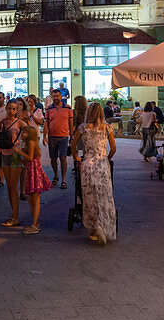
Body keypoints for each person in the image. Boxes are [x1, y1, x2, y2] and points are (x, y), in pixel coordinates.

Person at [71, 102, 117, 245]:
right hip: (102, 165)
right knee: (105, 197)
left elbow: (73, 146)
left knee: (89, 198)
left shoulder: (83, 128)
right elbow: (113, 149)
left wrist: (77, 159)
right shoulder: (107, 128)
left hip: (87, 165)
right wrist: (106, 159)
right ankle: (103, 225)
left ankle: (93, 229)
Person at [0, 100, 26, 228]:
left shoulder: (19, 122)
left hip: (15, 156)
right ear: (6, 109)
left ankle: (15, 217)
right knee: (9, 186)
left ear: (17, 110)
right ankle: (14, 215)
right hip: (4, 154)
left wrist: (23, 151)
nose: (11, 111)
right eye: (9, 108)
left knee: (13, 186)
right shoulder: (3, 123)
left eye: (14, 109)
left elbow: (31, 134)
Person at [17, 125, 51, 235]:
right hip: (30, 170)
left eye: (25, 132)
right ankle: (34, 223)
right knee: (31, 199)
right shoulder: (25, 142)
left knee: (35, 199)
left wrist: (19, 152)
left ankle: (35, 224)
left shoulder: (31, 142)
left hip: (34, 171)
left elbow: (30, 157)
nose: (23, 134)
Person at [43, 88, 73, 186]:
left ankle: (63, 180)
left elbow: (71, 123)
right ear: (52, 97)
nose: (56, 98)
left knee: (63, 158)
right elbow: (46, 123)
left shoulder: (68, 108)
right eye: (54, 96)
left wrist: (72, 136)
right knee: (53, 158)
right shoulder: (48, 108)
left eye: (57, 96)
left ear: (61, 97)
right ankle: (56, 175)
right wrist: (44, 136)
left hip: (64, 137)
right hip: (52, 137)